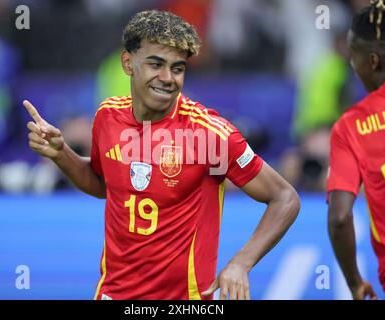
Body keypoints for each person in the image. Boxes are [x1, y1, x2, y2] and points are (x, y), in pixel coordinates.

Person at [24, 10, 300, 300]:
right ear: (128, 63)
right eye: (156, 65)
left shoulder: (209, 134)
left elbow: (285, 198)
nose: (167, 78)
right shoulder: (107, 117)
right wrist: (61, 154)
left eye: (177, 68)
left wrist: (241, 263)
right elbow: (106, 185)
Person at [327, 0, 385, 300]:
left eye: (352, 58)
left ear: (373, 61)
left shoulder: (351, 126)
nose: (352, 68)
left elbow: (340, 217)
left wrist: (354, 281)